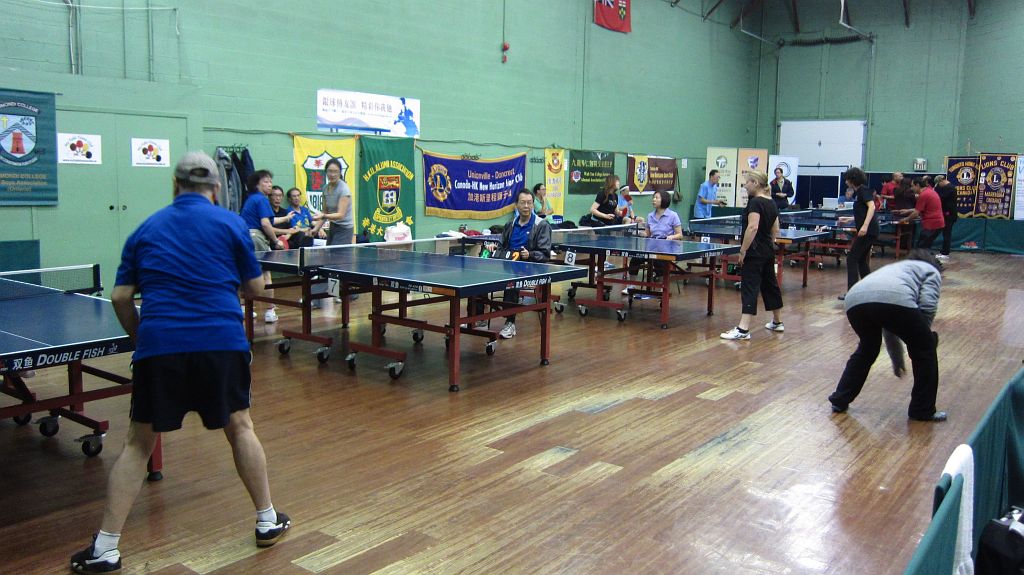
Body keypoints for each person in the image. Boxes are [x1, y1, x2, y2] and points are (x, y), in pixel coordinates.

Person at [69, 152, 290, 575]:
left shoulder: (146, 229)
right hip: (221, 346)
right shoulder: (231, 225)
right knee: (240, 427)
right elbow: (256, 287)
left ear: (174, 185)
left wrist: (142, 338)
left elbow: (119, 297)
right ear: (217, 188)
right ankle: (266, 519)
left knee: (138, 444)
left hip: (161, 347)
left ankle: (106, 548)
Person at [828, 249, 946, 422]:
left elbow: (889, 321)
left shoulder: (897, 268)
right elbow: (927, 305)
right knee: (925, 349)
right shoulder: (931, 271)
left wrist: (897, 359)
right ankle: (922, 410)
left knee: (868, 348)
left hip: (854, 300)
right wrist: (923, 337)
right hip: (893, 300)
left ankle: (840, 399)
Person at [720, 172, 784, 340]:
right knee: (770, 285)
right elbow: (775, 229)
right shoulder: (771, 202)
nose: (745, 185)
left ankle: (743, 329)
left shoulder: (755, 202)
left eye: (747, 182)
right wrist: (768, 244)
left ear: (755, 183)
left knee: (750, 286)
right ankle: (777, 322)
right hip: (767, 250)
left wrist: (743, 250)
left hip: (754, 252)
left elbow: (752, 227)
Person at [481, 188, 553, 339]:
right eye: (523, 203)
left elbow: (545, 254)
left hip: (530, 267)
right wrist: (493, 247)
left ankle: (510, 323)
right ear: (516, 205)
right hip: (509, 264)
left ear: (533, 205)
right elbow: (502, 247)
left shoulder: (541, 225)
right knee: (480, 278)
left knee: (512, 280)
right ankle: (478, 318)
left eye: (529, 203)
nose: (526, 206)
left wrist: (529, 254)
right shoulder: (510, 224)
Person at [239, 169, 282, 322]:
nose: (270, 184)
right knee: (266, 275)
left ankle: (244, 309)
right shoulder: (262, 200)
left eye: (270, 181)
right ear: (257, 185)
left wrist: (286, 219)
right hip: (256, 238)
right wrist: (276, 241)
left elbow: (269, 221)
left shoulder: (251, 199)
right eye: (266, 181)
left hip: (244, 237)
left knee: (245, 274)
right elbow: (265, 224)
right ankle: (270, 311)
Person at [836, 167, 877, 300]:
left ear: (852, 180)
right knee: (861, 260)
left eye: (847, 179)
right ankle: (869, 289)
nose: (846, 182)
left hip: (868, 231)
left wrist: (864, 226)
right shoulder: (859, 192)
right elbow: (863, 212)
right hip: (870, 231)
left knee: (852, 258)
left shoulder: (863, 191)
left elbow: (872, 207)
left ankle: (852, 292)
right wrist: (849, 219)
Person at [312, 158, 353, 246]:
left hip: (345, 229)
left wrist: (323, 216)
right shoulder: (325, 188)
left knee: (337, 254)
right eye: (330, 171)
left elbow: (340, 215)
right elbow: (325, 211)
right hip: (333, 226)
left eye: (335, 171)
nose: (332, 174)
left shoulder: (344, 189)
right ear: (326, 172)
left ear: (340, 173)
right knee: (330, 252)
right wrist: (315, 229)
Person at [900, 177, 945, 251]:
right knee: (925, 246)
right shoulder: (929, 191)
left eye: (912, 186)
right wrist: (907, 211)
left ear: (917, 185)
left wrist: (905, 219)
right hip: (937, 224)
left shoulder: (923, 195)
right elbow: (920, 208)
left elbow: (916, 213)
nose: (911, 188)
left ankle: (925, 258)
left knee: (921, 248)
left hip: (931, 225)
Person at [934, 175, 958, 262]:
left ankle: (945, 253)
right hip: (948, 214)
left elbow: (941, 197)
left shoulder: (950, 188)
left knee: (947, 234)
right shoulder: (948, 187)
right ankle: (944, 252)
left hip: (949, 215)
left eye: (938, 184)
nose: (939, 186)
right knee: (946, 234)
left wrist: (935, 189)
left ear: (941, 181)